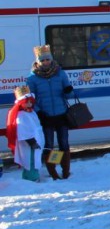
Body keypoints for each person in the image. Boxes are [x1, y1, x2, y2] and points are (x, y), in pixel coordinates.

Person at [26, 45, 74, 180]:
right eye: (43, 60)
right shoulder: (32, 78)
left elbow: (68, 94)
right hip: (46, 116)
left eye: (48, 59)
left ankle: (65, 170)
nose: (46, 62)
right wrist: (39, 112)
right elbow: (30, 99)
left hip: (61, 114)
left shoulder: (60, 73)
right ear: (38, 62)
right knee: (49, 145)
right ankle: (53, 172)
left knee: (64, 143)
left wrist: (68, 91)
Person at [6, 86, 44, 180]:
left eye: (31, 102)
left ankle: (33, 176)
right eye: (27, 102)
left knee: (35, 159)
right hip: (29, 143)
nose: (30, 104)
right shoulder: (21, 115)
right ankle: (31, 178)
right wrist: (31, 142)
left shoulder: (31, 112)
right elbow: (22, 130)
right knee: (31, 160)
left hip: (36, 141)